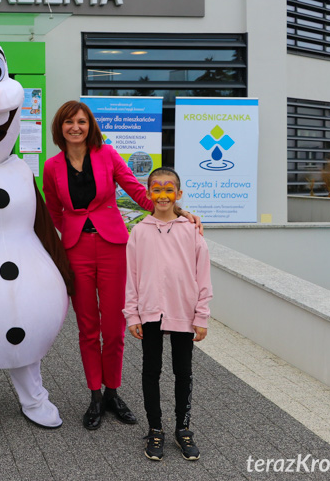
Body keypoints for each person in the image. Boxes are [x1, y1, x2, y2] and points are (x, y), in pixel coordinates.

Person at [43, 100, 199, 431]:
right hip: (76, 249)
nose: (76, 127)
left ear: (90, 125)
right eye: (69, 122)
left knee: (114, 326)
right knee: (87, 326)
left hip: (114, 245)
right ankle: (95, 396)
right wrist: (70, 228)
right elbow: (53, 208)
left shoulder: (107, 156)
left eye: (82, 121)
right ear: (60, 128)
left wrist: (177, 211)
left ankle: (113, 392)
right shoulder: (52, 166)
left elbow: (138, 192)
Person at [123, 167, 212, 461]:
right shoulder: (138, 231)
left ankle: (182, 429)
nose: (163, 195)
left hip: (183, 312)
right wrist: (132, 315)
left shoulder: (192, 231)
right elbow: (132, 277)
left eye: (168, 189)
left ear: (179, 194)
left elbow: (203, 276)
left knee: (183, 372)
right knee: (151, 372)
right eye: (157, 189)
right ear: (148, 194)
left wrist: (201, 316)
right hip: (150, 313)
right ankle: (156, 429)